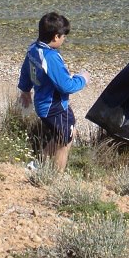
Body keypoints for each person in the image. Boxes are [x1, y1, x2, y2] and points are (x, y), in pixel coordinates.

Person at [18, 12, 89, 171]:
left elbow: (26, 70)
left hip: (43, 104)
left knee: (66, 134)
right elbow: (66, 86)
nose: (64, 39)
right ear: (56, 37)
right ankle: (56, 178)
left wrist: (25, 90)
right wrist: (82, 78)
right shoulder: (50, 57)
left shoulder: (33, 49)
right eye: (64, 36)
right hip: (55, 107)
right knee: (64, 143)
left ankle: (37, 165)